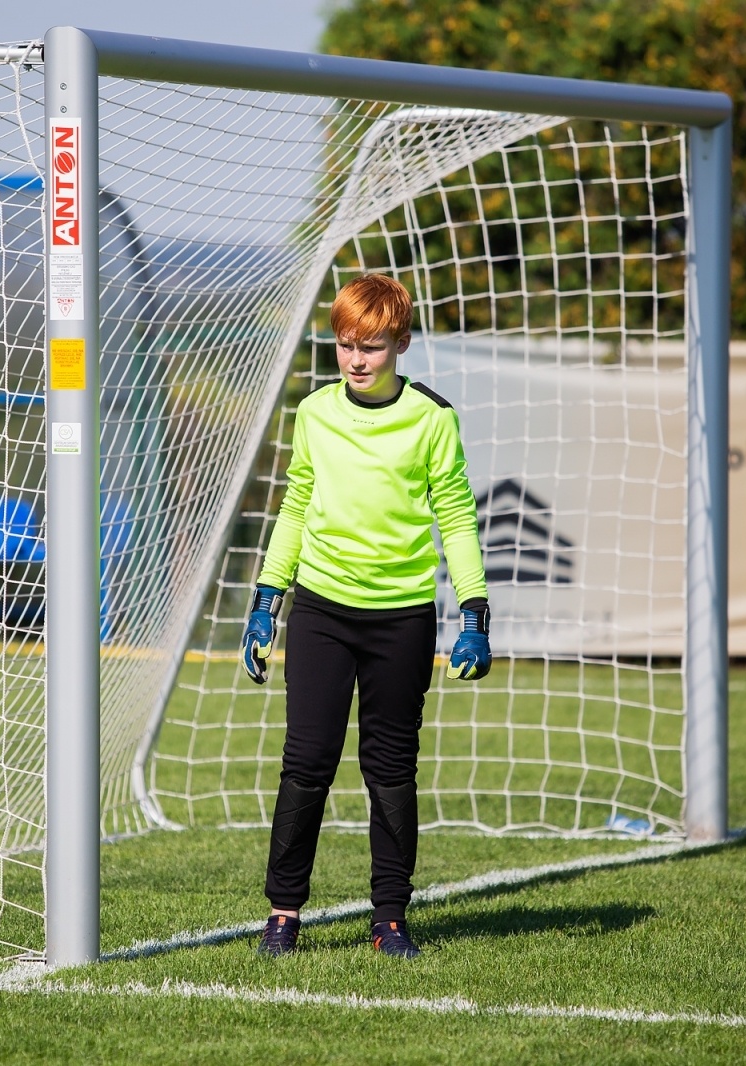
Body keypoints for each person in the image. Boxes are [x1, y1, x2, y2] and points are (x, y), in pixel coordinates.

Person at [239, 273, 491, 959]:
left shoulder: (433, 420)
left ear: (400, 343)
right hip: (320, 612)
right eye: (346, 344)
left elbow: (458, 520)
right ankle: (283, 915)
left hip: (402, 619)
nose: (356, 359)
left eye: (372, 346)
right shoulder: (315, 413)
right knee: (306, 763)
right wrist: (267, 601)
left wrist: (475, 613)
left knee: (390, 769)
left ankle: (389, 921)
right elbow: (294, 508)